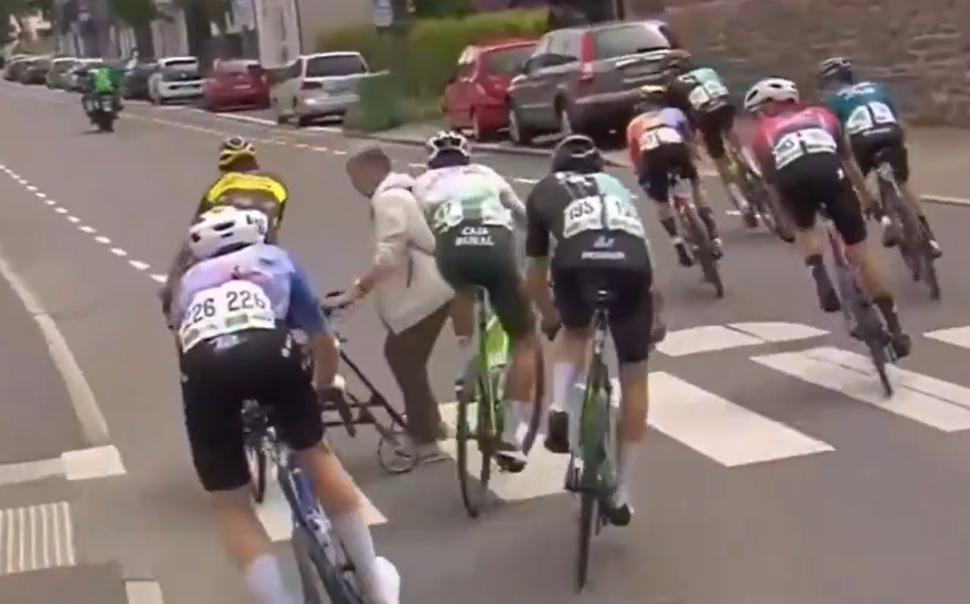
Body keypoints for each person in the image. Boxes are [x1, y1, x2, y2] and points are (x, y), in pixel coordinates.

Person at [170, 206, 400, 604]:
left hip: (204, 367)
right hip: (271, 352)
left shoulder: (187, 283)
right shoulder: (277, 260)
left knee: (231, 503)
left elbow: (186, 351)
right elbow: (321, 339)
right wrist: (321, 388)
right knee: (316, 455)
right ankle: (375, 586)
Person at [526, 134, 655, 526]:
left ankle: (559, 409)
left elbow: (534, 273)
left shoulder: (544, 190)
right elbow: (645, 256)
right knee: (634, 373)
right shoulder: (618, 187)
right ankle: (622, 489)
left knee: (574, 332)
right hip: (630, 264)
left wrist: (550, 317)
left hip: (575, 262)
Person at [745, 77, 910, 357]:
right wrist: (867, 198)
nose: (759, 116)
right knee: (859, 252)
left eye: (760, 110)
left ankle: (820, 275)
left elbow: (772, 186)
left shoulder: (762, 135)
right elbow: (848, 163)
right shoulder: (824, 116)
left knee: (805, 226)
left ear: (772, 106)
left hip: (792, 177)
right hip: (829, 171)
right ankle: (896, 330)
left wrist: (785, 222)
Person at [412, 131, 539, 471]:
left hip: (453, 249)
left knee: (461, 288)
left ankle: (467, 359)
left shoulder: (421, 183)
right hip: (497, 247)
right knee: (525, 339)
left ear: (430, 159)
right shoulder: (488, 174)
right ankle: (511, 437)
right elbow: (523, 216)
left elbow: (414, 231)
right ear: (467, 155)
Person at [339, 145, 455, 462]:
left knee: (403, 359)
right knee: (406, 358)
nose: (354, 186)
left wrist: (360, 288)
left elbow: (391, 251)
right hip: (432, 290)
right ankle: (431, 425)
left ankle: (425, 440)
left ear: (369, 172)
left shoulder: (389, 198)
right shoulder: (404, 192)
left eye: (354, 178)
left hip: (425, 293)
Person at [817, 56, 941, 256]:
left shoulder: (834, 101)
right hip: (891, 134)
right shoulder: (877, 88)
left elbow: (836, 134)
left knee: (854, 178)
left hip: (863, 141)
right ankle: (930, 237)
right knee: (901, 182)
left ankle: (883, 219)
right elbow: (896, 117)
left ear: (831, 81)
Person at [160, 136, 289, 320]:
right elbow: (276, 224)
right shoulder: (277, 184)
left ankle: (169, 304)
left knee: (186, 254)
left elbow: (197, 231)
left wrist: (170, 290)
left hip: (223, 250)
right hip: (264, 249)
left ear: (224, 168)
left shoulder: (219, 187)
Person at [626, 84, 722, 266]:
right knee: (695, 185)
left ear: (641, 104)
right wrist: (694, 162)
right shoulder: (675, 113)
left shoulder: (634, 124)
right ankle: (714, 235)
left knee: (660, 202)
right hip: (675, 148)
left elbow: (635, 157)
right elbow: (689, 141)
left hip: (651, 154)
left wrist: (642, 176)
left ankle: (677, 244)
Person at [664, 51, 757, 226]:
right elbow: (722, 87)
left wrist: (692, 136)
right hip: (725, 106)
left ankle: (742, 203)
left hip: (705, 115)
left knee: (720, 161)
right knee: (731, 133)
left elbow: (682, 115)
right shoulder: (708, 71)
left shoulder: (674, 85)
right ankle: (749, 163)